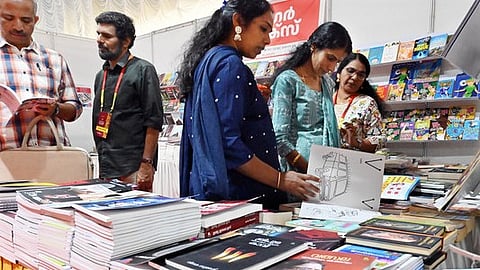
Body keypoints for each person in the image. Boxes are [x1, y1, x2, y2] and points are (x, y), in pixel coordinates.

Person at [177, 0, 320, 210]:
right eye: (263, 29)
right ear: (238, 21)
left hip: (220, 189)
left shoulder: (209, 60)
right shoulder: (230, 65)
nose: (268, 39)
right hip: (240, 194)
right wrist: (281, 179)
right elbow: (229, 145)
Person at [93, 11, 163, 192]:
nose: (100, 40)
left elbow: (153, 121)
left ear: (126, 41)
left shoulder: (143, 70)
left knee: (137, 218)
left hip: (133, 168)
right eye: (98, 34)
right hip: (106, 165)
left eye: (107, 36)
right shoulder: (101, 75)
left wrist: (146, 164)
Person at [0, 0, 83, 151]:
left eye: (26, 20)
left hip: (52, 159)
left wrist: (56, 109)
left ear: (35, 20)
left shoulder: (55, 59)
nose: (18, 27)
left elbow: (75, 108)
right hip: (5, 159)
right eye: (9, 18)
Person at [271, 22, 352, 174]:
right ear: (314, 47)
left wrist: (337, 132)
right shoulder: (288, 81)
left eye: (338, 62)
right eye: (330, 58)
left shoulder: (327, 82)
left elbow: (322, 126)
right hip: (298, 174)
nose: (332, 68)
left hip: (327, 170)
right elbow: (279, 137)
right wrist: (308, 168)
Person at [333, 53, 385, 153]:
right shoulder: (325, 98)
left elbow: (380, 139)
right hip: (321, 159)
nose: (355, 77)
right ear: (339, 73)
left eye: (361, 75)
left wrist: (357, 142)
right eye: (350, 71)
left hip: (352, 162)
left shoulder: (367, 103)